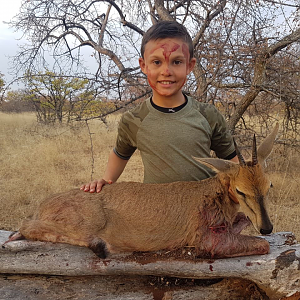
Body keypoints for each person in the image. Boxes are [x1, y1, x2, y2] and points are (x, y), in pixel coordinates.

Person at [81, 21, 238, 193]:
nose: (166, 71)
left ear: (190, 66)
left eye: (177, 62)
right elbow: (120, 154)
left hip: (206, 210)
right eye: (157, 62)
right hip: (157, 212)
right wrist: (105, 180)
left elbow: (232, 159)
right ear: (143, 66)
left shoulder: (208, 114)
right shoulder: (133, 119)